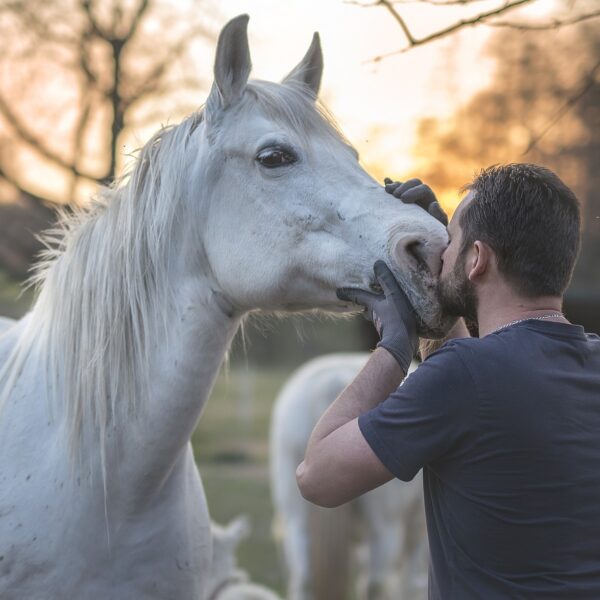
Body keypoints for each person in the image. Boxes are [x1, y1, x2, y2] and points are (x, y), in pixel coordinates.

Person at [296, 163, 600, 599]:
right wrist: (443, 287)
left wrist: (394, 349)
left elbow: (316, 477)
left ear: (478, 259)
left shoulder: (466, 376)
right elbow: (473, 380)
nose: (442, 255)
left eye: (452, 242)